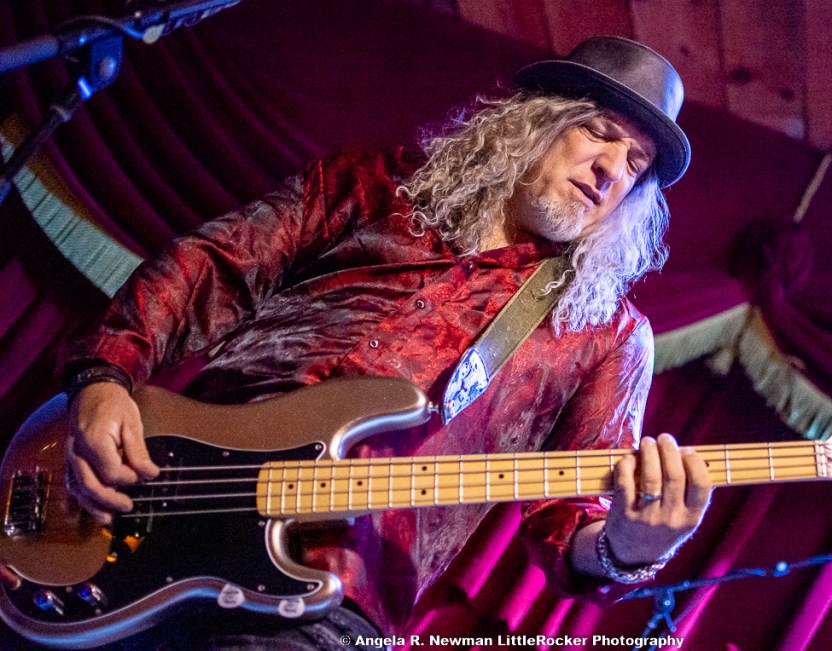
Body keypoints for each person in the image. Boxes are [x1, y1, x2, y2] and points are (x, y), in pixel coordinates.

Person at [57, 36, 712, 648]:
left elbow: (571, 516)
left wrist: (626, 545)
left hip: (326, 602)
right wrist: (102, 377)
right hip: (149, 504)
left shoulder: (606, 335)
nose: (611, 169)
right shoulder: (372, 187)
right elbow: (209, 268)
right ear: (536, 120)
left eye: (636, 164)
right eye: (599, 132)